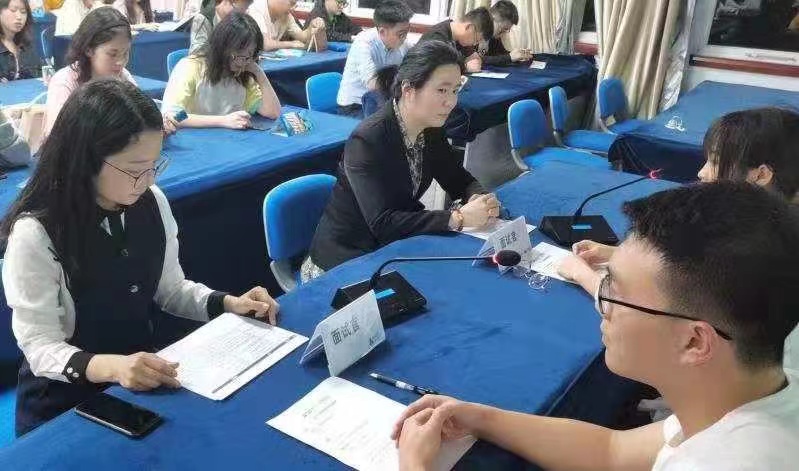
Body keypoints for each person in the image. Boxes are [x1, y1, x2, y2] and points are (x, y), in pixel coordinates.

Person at [394, 182, 799, 471]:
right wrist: (479, 417)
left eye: (614, 292)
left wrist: (414, 466)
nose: (602, 306)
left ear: (694, 342)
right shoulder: (743, 394)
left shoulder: (730, 460)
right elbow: (612, 450)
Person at [2, 78, 282, 436]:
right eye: (135, 170)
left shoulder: (152, 202)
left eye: (154, 166)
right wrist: (114, 368)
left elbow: (171, 290)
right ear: (86, 160)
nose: (148, 180)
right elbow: (39, 346)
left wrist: (228, 303)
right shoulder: (37, 232)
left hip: (139, 385)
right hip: (62, 405)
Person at [305, 41, 500, 278]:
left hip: (393, 246)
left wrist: (479, 197)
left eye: (455, 91)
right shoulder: (367, 139)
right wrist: (457, 218)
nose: (451, 102)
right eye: (442, 90)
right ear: (408, 90)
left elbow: (458, 179)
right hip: (345, 259)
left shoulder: (430, 128)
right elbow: (383, 222)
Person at [46, 8, 177, 135]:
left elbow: (142, 114)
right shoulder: (65, 81)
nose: (120, 62)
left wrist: (156, 124)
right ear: (88, 49)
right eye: (112, 54)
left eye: (125, 53)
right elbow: (57, 134)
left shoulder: (123, 76)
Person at [161, 12, 281, 129]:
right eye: (238, 53)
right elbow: (173, 116)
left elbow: (272, 112)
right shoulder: (190, 67)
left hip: (230, 138)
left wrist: (258, 72)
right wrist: (223, 121)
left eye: (249, 54)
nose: (242, 62)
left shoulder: (243, 73)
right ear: (222, 47)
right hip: (194, 137)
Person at [336, 0, 412, 118]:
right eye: (401, 34)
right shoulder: (364, 43)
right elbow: (374, 85)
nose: (404, 38)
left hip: (381, 103)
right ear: (382, 32)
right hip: (354, 107)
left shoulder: (403, 44)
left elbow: (417, 63)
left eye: (407, 33)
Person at [418, 7, 493, 73]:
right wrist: (465, 68)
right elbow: (435, 72)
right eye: (476, 40)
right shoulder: (436, 38)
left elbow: (473, 57)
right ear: (469, 27)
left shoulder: (461, 39)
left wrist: (475, 60)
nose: (475, 44)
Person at [247, 0, 325, 51]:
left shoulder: (286, 15)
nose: (293, 8)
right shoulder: (256, 8)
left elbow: (303, 37)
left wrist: (313, 26)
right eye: (291, 3)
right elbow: (265, 44)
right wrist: (291, 44)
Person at [188, 0, 252, 55]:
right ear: (231, 2)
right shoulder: (203, 19)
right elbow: (196, 52)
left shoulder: (233, 23)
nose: (243, 14)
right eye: (242, 9)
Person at [481, 0, 531, 67]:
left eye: (507, 30)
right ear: (492, 18)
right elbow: (475, 59)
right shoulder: (474, 32)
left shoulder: (494, 36)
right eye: (503, 29)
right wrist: (509, 57)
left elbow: (500, 54)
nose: (504, 33)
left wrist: (519, 55)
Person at [0, 0, 41, 81]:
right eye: (13, 10)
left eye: (23, 12)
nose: (19, 17)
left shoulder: (27, 45)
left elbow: (40, 75)